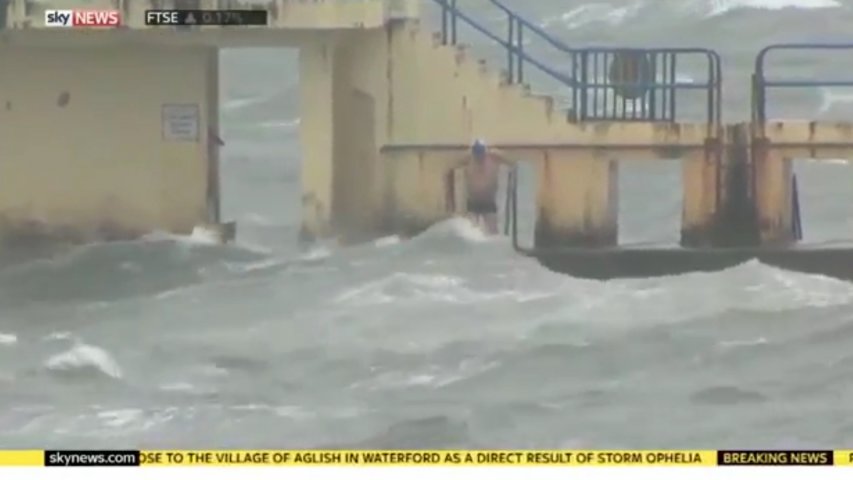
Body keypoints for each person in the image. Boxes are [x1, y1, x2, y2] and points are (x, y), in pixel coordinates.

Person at [454, 139, 514, 235]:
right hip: (473, 202)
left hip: (489, 202)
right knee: (470, 231)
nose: (479, 159)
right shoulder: (468, 159)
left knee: (493, 231)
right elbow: (452, 165)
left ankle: (494, 247)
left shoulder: (494, 157)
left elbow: (512, 162)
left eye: (481, 155)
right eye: (477, 155)